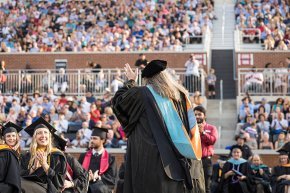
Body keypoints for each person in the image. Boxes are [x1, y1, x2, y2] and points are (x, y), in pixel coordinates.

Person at [112, 61, 205, 193]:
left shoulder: (143, 94)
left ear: (148, 80)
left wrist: (131, 81)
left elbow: (119, 103)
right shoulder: (181, 95)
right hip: (181, 159)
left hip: (153, 159)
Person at [20, 117, 67, 193]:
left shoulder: (57, 155)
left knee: (19, 183)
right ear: (34, 137)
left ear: (49, 136)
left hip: (48, 188)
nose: (43, 135)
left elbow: (60, 182)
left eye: (45, 132)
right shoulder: (27, 155)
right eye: (39, 133)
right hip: (28, 186)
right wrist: (34, 168)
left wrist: (45, 165)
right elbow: (20, 174)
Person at [78, 127, 117, 193]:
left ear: (103, 140)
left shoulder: (110, 158)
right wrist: (87, 177)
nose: (92, 140)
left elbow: (112, 178)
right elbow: (78, 173)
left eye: (95, 138)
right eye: (91, 138)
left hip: (101, 189)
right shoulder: (83, 156)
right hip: (85, 187)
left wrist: (98, 177)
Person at [194, 105, 218, 193]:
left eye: (199, 114)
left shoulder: (211, 128)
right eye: (195, 114)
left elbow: (213, 141)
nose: (197, 116)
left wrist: (203, 132)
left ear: (205, 116)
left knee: (206, 187)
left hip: (206, 161)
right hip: (193, 160)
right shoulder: (190, 128)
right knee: (194, 186)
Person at [0, 122, 23, 193]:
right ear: (4, 138)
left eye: (13, 136)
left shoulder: (15, 152)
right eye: (8, 136)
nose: (11, 138)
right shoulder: (6, 152)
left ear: (17, 137)